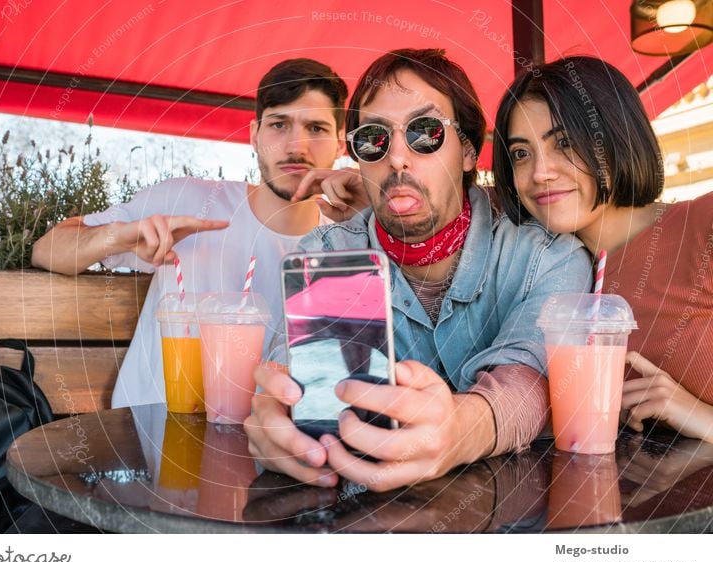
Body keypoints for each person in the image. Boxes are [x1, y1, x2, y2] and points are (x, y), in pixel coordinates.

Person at [245, 48, 593, 492]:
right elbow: (292, 384)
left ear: (468, 151)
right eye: (374, 138)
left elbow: (528, 378)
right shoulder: (325, 256)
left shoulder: (545, 260)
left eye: (425, 132)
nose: (397, 159)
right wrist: (278, 420)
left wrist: (465, 427)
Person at [32, 58, 350, 407]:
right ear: (254, 136)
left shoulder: (347, 250)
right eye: (279, 124)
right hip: (147, 441)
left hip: (266, 449)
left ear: (340, 144)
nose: (296, 147)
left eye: (316, 129)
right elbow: (47, 250)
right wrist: (117, 237)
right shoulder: (184, 200)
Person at [493, 55, 713, 443]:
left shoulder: (702, 228)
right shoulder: (540, 264)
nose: (540, 172)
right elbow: (444, 202)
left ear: (615, 134)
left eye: (564, 143)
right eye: (521, 154)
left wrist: (703, 417)